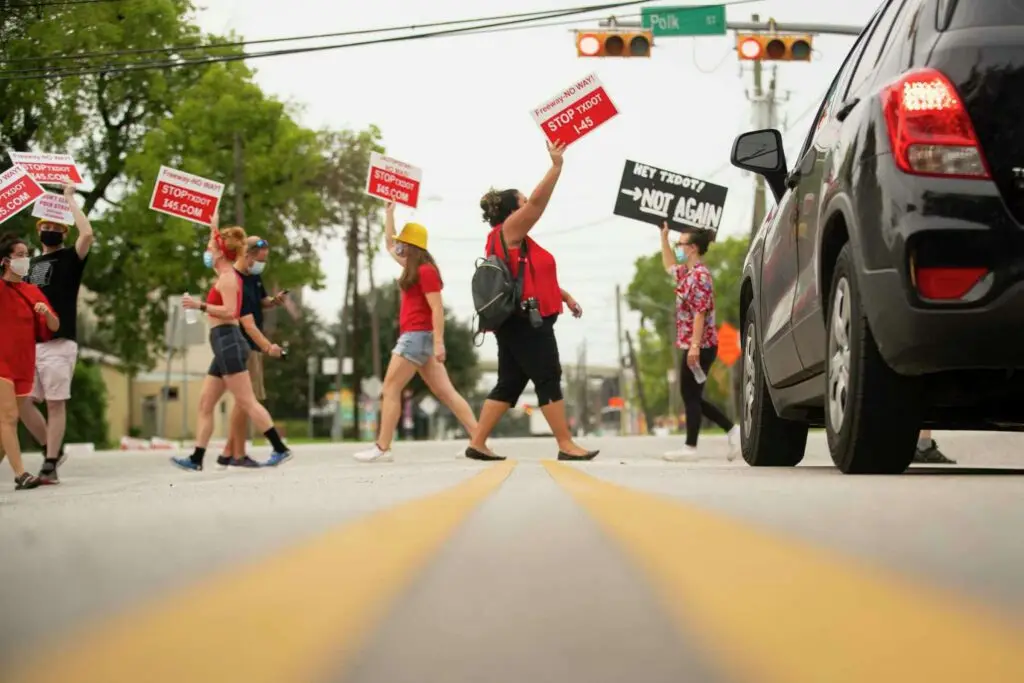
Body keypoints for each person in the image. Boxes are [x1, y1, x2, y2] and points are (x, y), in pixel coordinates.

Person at [465, 140, 597, 462]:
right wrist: (556, 167)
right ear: (513, 211)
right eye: (521, 202)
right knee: (548, 375)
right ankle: (566, 444)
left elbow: (525, 278)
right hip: (525, 321)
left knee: (510, 383)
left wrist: (563, 296)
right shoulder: (508, 230)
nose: (527, 205)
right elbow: (538, 202)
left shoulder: (516, 240)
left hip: (517, 320)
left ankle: (477, 443)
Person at [354, 202, 480, 462]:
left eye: (403, 242)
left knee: (390, 388)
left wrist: (439, 342)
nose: (398, 246)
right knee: (446, 393)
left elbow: (437, 309)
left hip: (416, 337)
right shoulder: (413, 267)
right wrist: (389, 213)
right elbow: (389, 244)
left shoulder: (426, 271)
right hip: (420, 338)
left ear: (412, 246)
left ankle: (382, 447)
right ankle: (478, 442)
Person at [171, 217, 292, 472]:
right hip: (222, 344)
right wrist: (212, 224)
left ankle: (280, 449)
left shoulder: (228, 279)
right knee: (205, 404)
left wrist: (200, 305)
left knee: (247, 402)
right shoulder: (223, 271)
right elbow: (214, 243)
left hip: (228, 341)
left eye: (211, 250)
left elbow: (229, 310)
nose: (207, 253)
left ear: (220, 254)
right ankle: (196, 458)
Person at [19, 180, 93, 484]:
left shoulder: (70, 259)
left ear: (64, 232)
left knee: (55, 402)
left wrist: (69, 200)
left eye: (56, 226)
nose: (50, 229)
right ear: (38, 232)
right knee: (20, 399)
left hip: (59, 342)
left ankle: (49, 462)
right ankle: (52, 447)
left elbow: (87, 233)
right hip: (30, 344)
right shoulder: (30, 264)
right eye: (45, 225)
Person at [659, 224, 740, 461]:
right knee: (691, 394)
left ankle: (691, 447)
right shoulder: (686, 273)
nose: (678, 249)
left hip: (701, 346)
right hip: (693, 344)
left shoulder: (701, 277)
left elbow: (700, 313)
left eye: (680, 245)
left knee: (690, 394)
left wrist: (694, 346)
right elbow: (668, 266)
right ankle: (731, 431)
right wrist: (663, 238)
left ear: (692, 248)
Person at [215, 235, 288, 469]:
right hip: (244, 343)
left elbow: (260, 301)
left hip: (251, 343)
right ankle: (237, 454)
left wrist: (273, 301)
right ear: (247, 255)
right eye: (260, 259)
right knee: (245, 400)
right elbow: (248, 324)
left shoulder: (253, 276)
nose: (261, 265)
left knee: (244, 400)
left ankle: (229, 452)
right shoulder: (234, 281)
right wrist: (268, 347)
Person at [1, 233, 60, 490]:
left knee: (5, 425)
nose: (26, 259)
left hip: (23, 363)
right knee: (9, 417)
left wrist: (46, 313)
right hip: (1, 361)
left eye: (27, 254)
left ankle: (15, 467)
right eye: (20, 255)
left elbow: (55, 325)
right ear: (5, 261)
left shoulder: (32, 291)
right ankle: (20, 474)